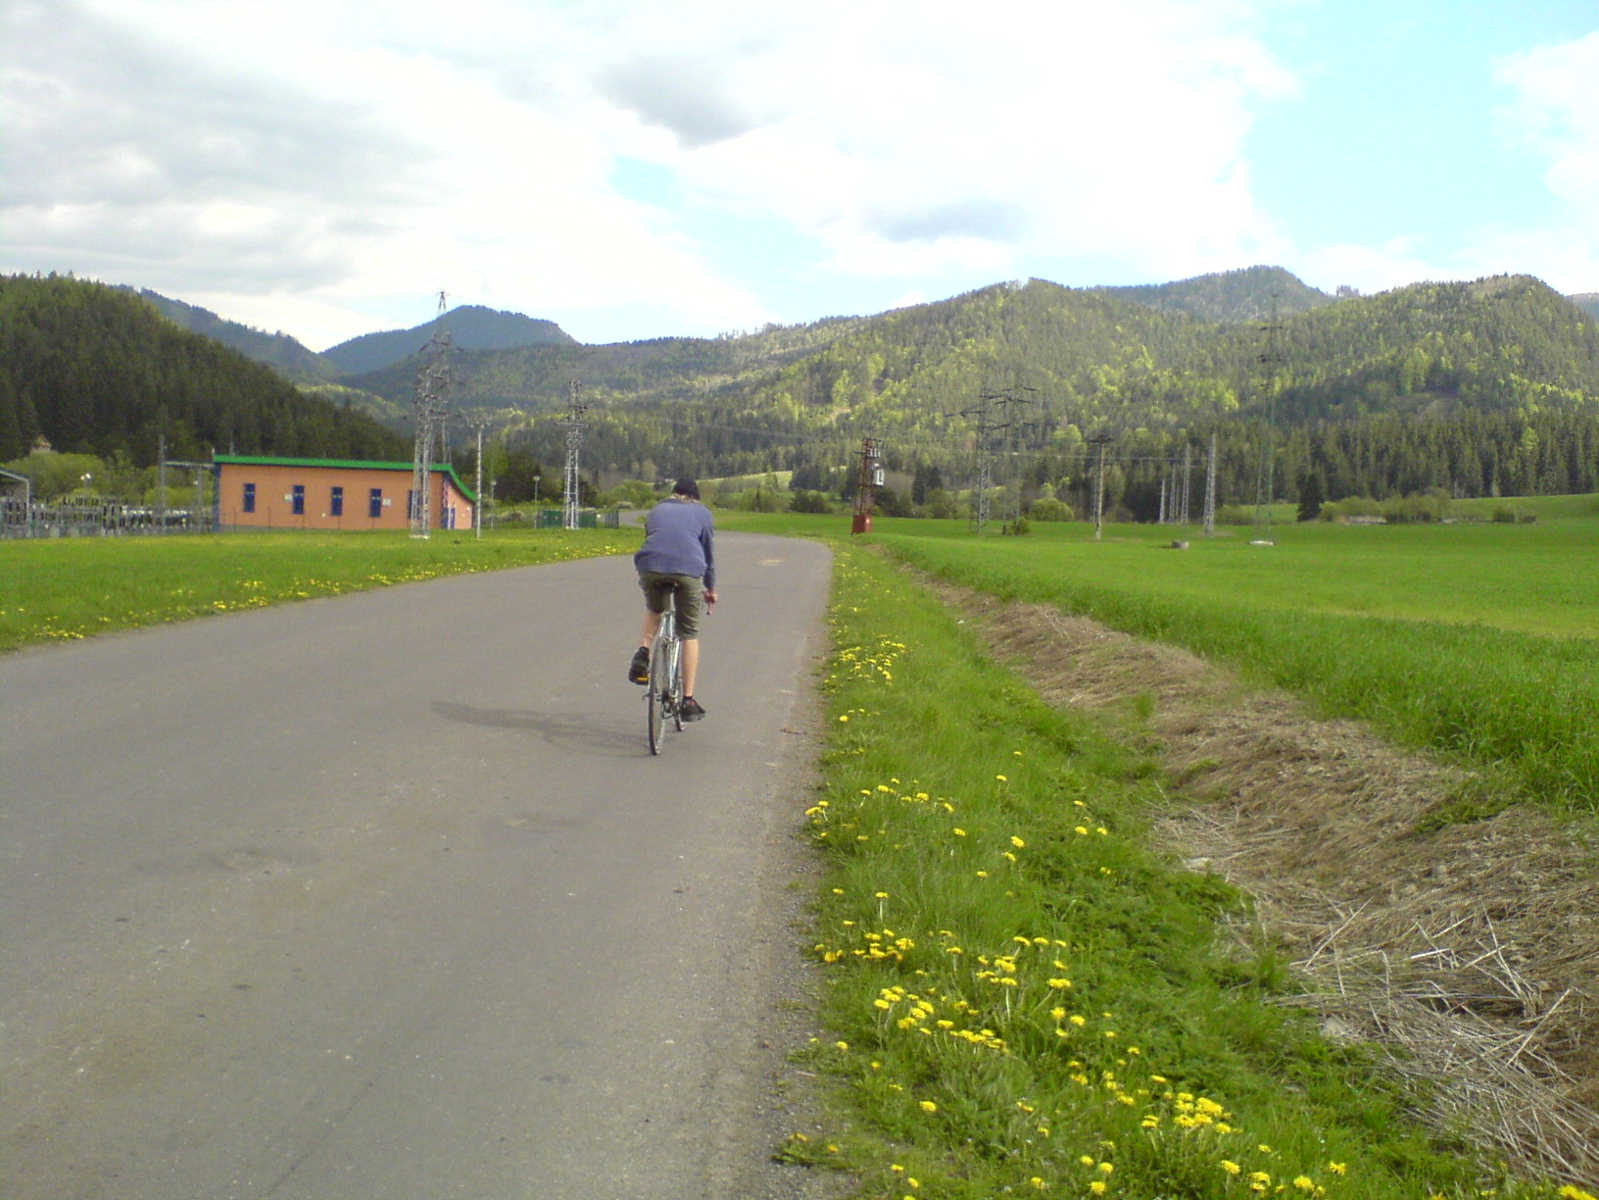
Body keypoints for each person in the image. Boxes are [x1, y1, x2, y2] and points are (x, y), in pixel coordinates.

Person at [629, 478, 717, 720]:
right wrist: (710, 588)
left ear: (673, 494)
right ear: (695, 498)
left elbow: (653, 538)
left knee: (654, 609)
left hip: (650, 566)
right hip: (688, 570)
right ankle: (688, 700)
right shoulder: (702, 513)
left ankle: (643, 651)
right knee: (689, 633)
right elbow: (708, 556)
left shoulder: (657, 509)